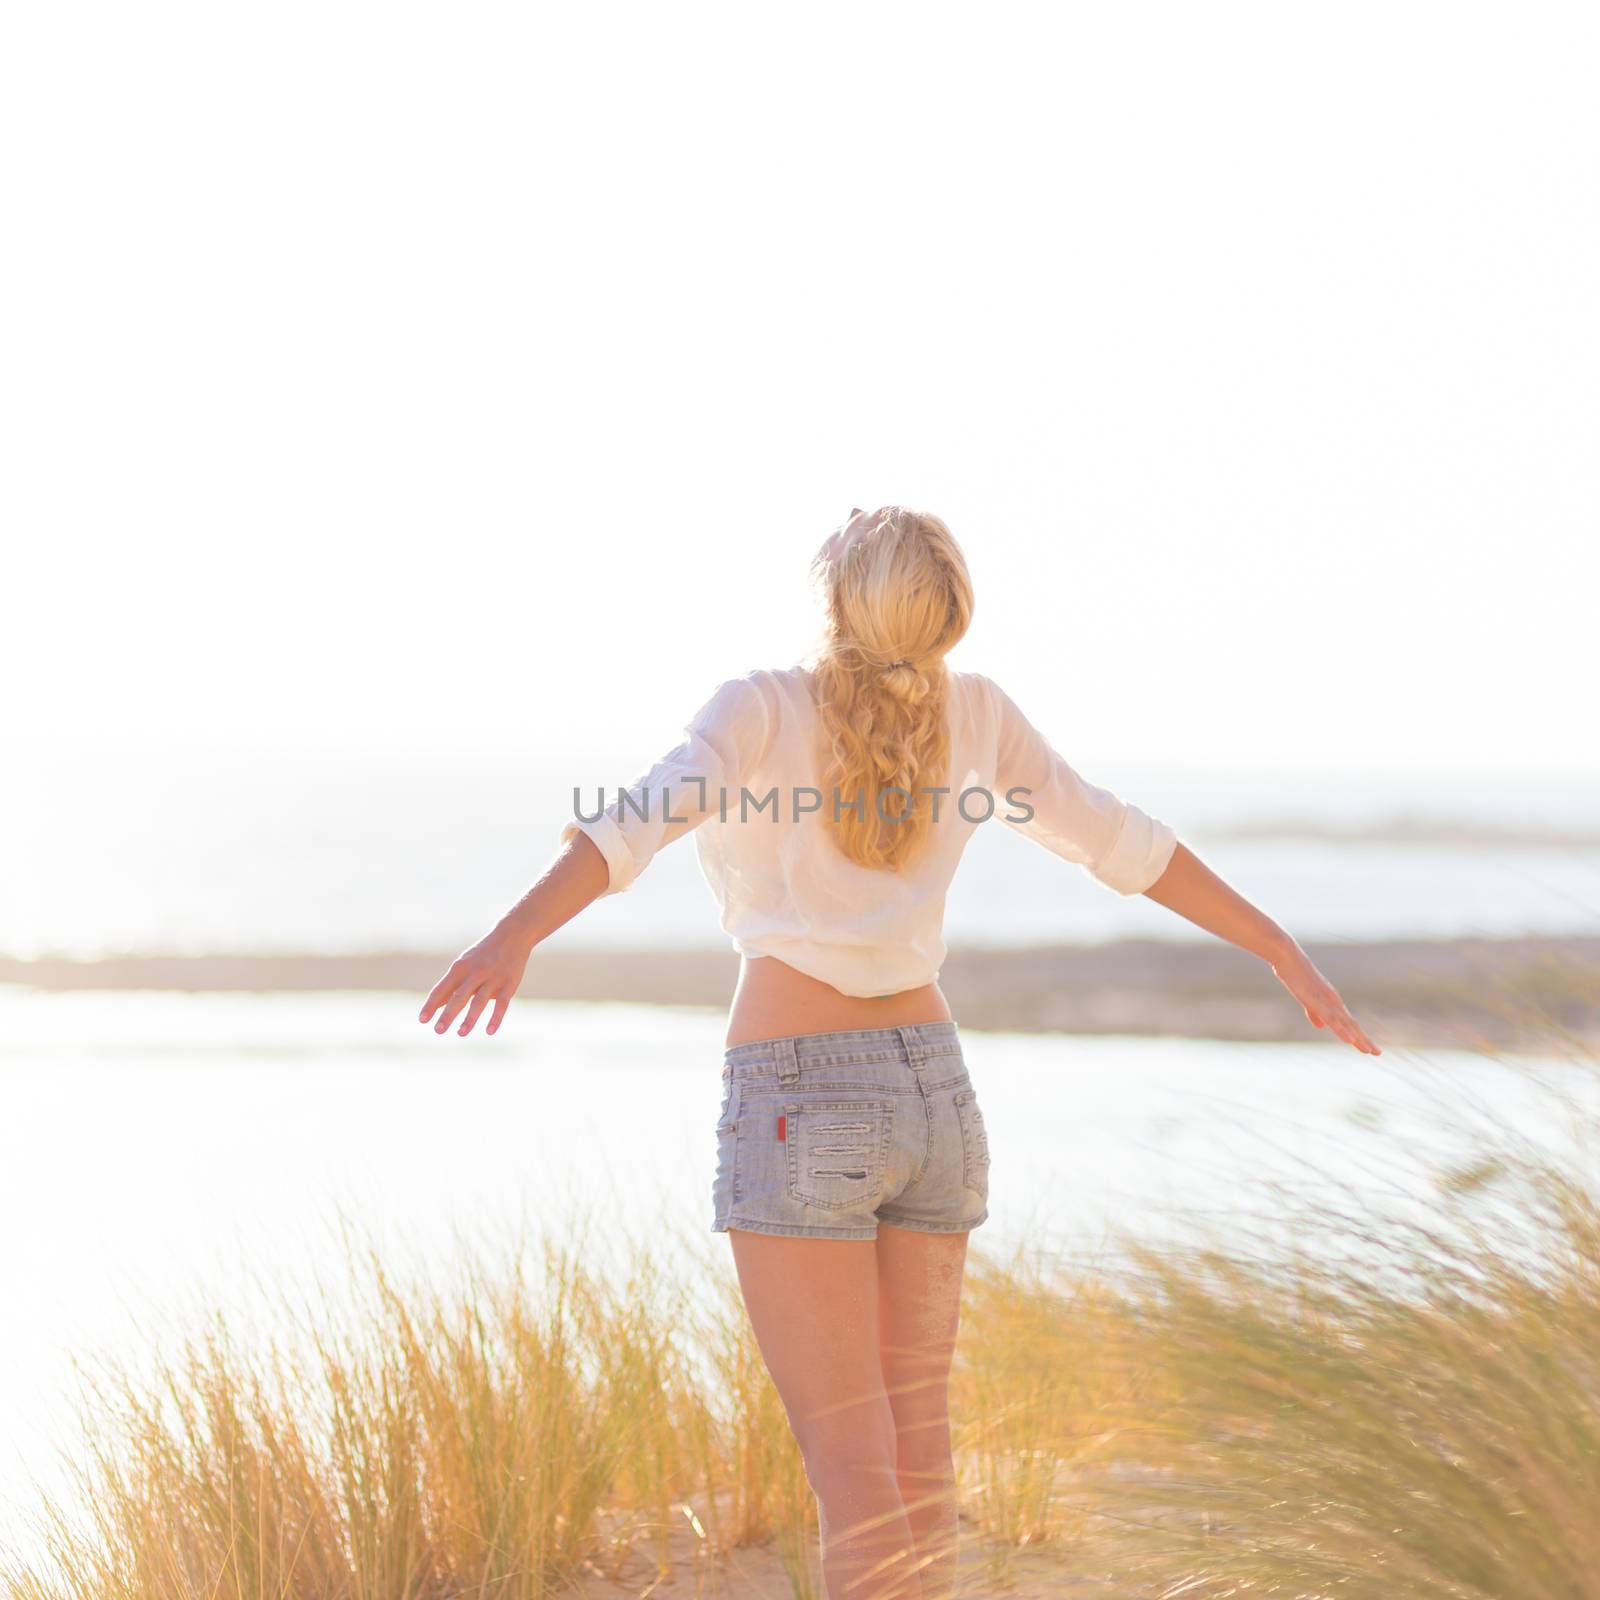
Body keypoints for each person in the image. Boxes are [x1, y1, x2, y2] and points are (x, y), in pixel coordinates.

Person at [418, 505, 1380, 1599]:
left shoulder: (760, 708)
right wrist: (1276, 946)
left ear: (835, 595)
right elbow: (1123, 842)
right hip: (935, 1096)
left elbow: (628, 826)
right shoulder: (981, 718)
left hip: (800, 1100)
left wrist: (511, 936)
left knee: (855, 1479)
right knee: (918, 1471)